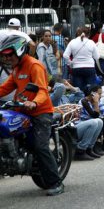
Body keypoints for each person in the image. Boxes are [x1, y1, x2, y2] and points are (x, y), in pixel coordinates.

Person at [0, 35, 64, 195]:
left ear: (20, 51)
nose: (7, 58)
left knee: (40, 146)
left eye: (10, 54)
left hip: (40, 112)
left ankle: (56, 183)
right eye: (5, 55)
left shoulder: (34, 66)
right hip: (21, 111)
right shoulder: (16, 69)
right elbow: (4, 88)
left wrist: (34, 102)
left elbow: (42, 89)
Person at [63, 27, 100, 92]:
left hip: (77, 68)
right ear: (88, 34)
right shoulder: (91, 42)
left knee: (78, 90)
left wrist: (70, 63)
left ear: (77, 33)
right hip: (89, 68)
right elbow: (97, 57)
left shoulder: (72, 42)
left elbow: (65, 55)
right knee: (91, 89)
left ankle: (79, 100)